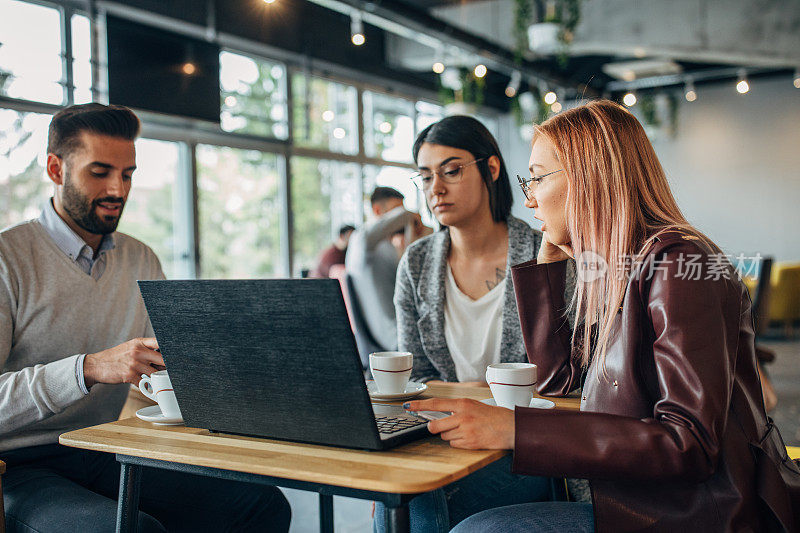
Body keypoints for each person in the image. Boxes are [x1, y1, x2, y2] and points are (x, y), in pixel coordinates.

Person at [405, 100, 800, 532]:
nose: (529, 197)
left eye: (537, 178)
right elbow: (560, 384)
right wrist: (548, 267)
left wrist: (517, 430)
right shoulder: (619, 266)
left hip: (690, 512)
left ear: (591, 176)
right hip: (627, 493)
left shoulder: (677, 265)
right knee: (419, 502)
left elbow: (689, 443)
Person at [0, 104, 291, 532]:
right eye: (100, 172)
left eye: (128, 173)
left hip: (105, 448)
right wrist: (90, 367)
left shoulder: (140, 258)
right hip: (20, 465)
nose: (118, 189)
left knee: (260, 505)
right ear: (56, 169)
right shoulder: (9, 258)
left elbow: (169, 365)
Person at [375, 116, 563, 533]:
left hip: (519, 445)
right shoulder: (417, 263)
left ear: (491, 169)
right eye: (425, 177)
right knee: (393, 493)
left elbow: (561, 380)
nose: (435, 189)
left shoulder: (545, 253)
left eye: (452, 170)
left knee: (419, 505)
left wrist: (479, 403)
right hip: (443, 436)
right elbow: (417, 377)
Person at [345, 187, 429, 352]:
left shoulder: (386, 249)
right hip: (394, 339)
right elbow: (403, 217)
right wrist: (409, 215)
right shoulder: (361, 242)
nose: (401, 217)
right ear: (377, 210)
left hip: (404, 332)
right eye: (396, 210)